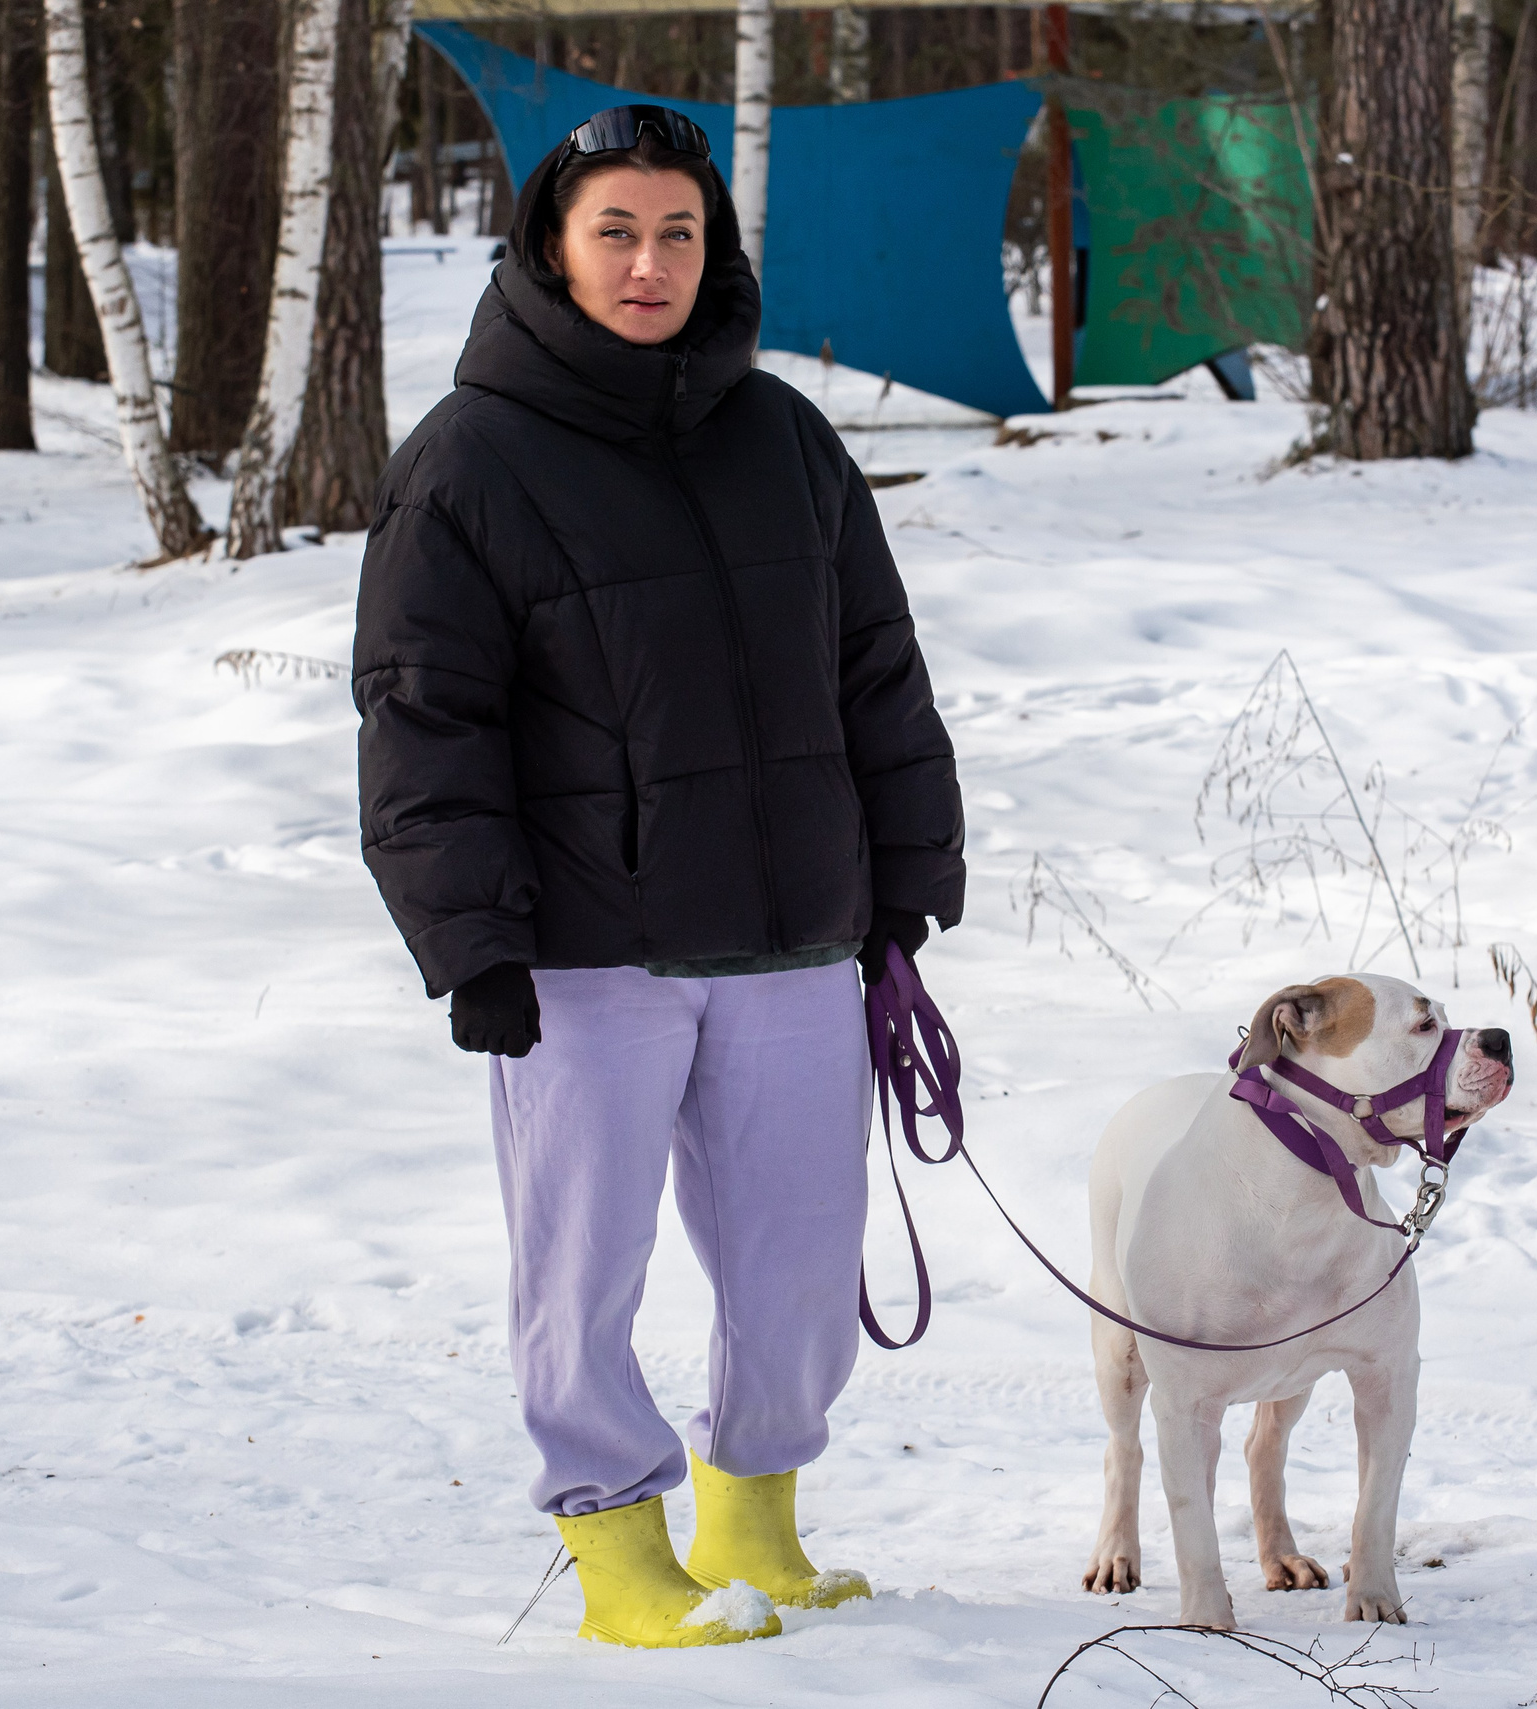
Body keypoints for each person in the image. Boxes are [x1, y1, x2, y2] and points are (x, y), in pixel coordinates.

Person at [351, 105, 966, 1650]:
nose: (648, 263)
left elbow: (877, 672)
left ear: (717, 249)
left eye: (677, 232)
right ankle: (620, 1549)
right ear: (551, 247)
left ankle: (754, 1515)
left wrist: (903, 878)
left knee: (803, 1269)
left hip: (790, 943)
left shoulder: (788, 441)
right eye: (615, 231)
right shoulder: (466, 461)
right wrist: (469, 940)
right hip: (582, 955)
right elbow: (425, 720)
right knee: (584, 1264)